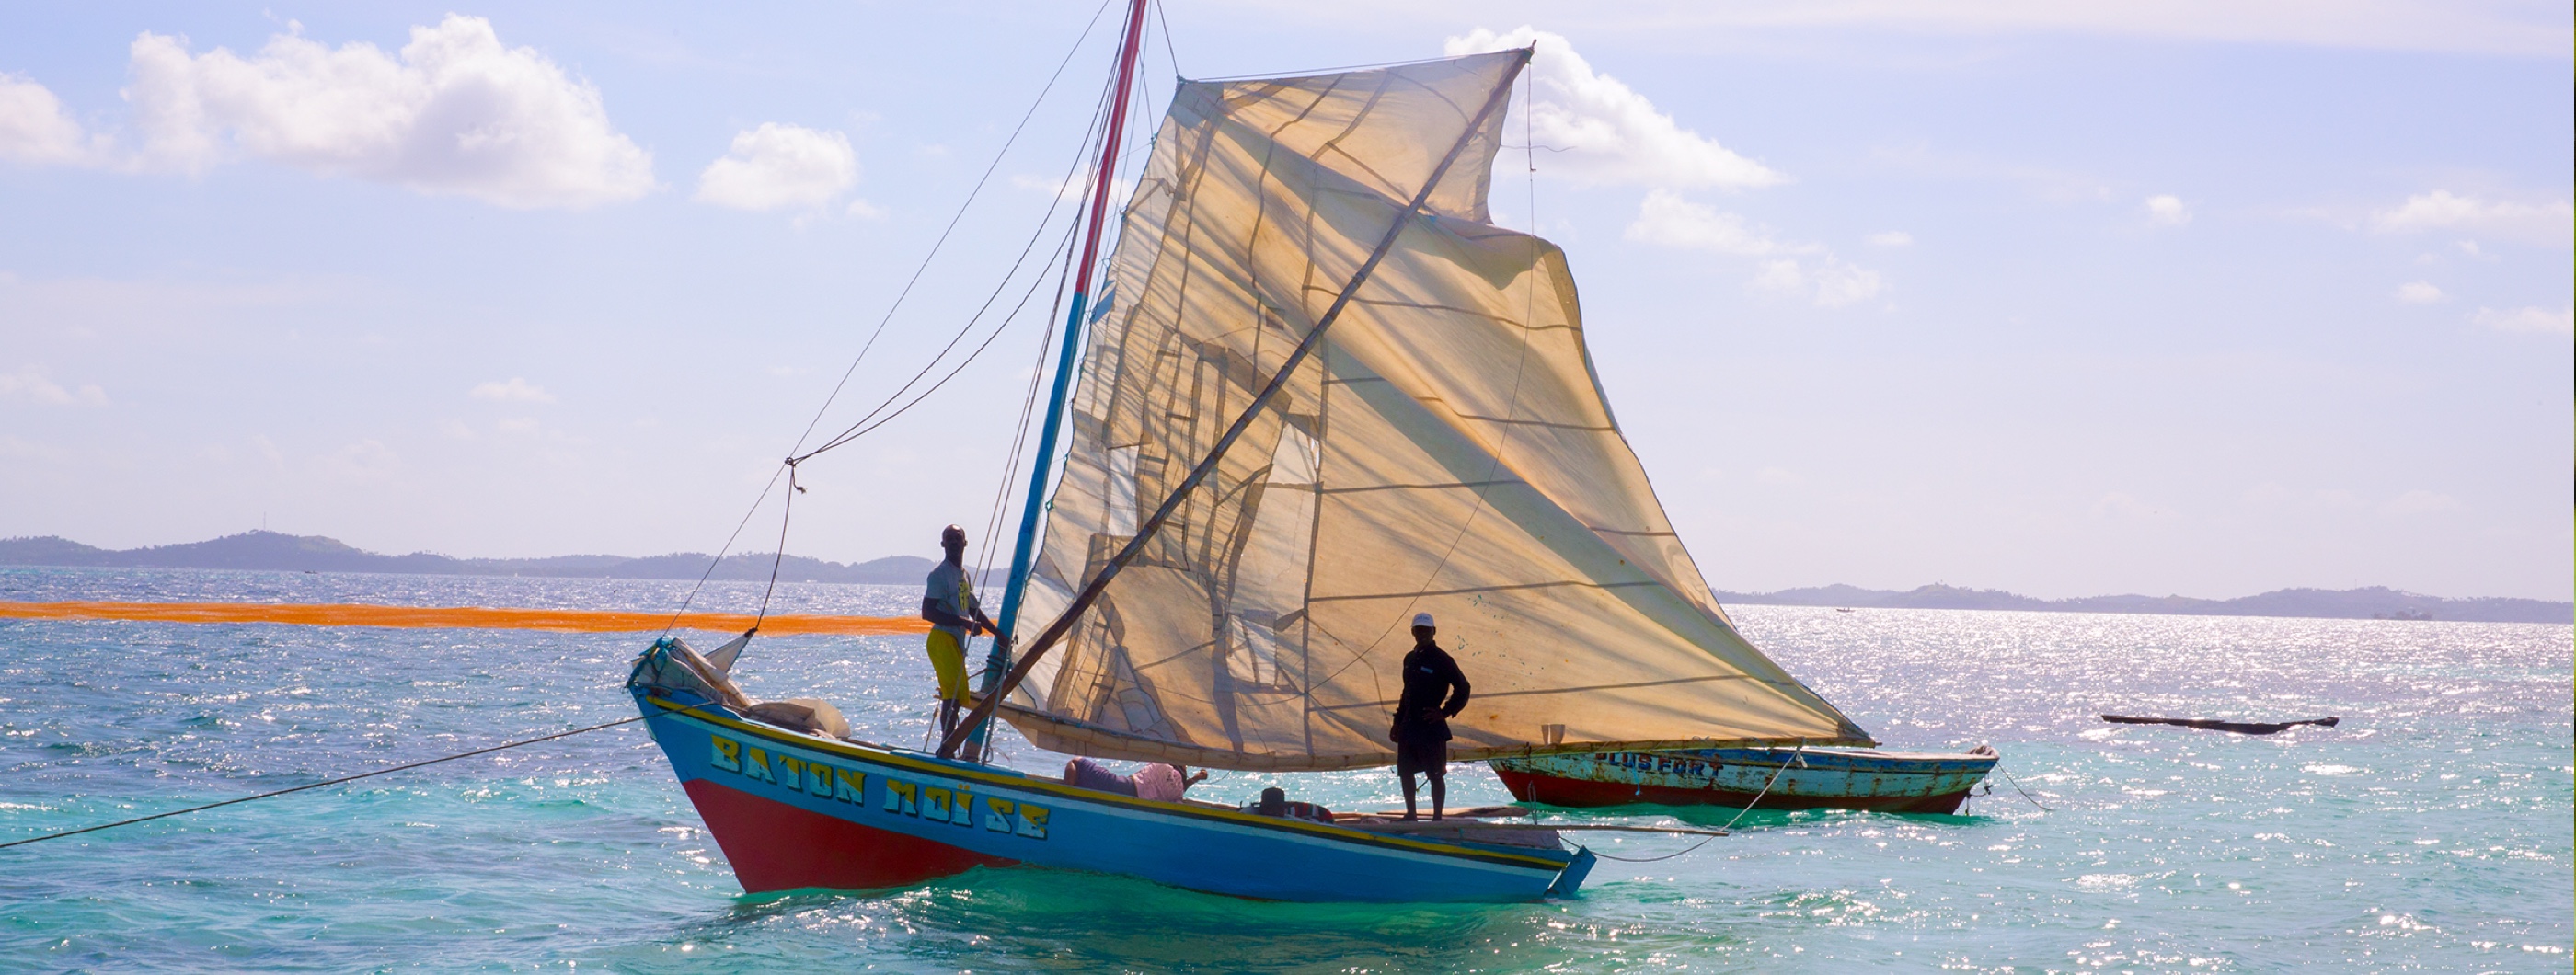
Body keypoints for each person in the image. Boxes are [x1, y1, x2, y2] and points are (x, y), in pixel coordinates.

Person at [919, 525, 1000, 737]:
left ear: (965, 543)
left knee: (959, 694)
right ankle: (946, 746)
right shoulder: (939, 575)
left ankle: (949, 745)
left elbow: (973, 609)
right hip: (941, 640)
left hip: (955, 641)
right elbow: (927, 612)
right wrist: (964, 623)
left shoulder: (963, 575)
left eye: (958, 538)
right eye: (949, 539)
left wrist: (998, 634)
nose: (954, 542)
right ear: (943, 544)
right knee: (952, 696)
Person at [1390, 611, 1471, 820]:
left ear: (1434, 632)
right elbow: (1405, 692)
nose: (1423, 634)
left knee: (1435, 774)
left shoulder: (1441, 658)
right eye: (1419, 630)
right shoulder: (1409, 659)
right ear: (1413, 632)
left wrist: (1445, 712)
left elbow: (1463, 687)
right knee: (1406, 772)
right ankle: (1411, 814)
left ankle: (1437, 817)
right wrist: (1397, 722)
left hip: (1430, 726)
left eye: (1427, 631)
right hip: (1409, 724)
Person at [1062, 757, 1206, 801]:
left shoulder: (1162, 765)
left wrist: (1195, 778)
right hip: (1132, 794)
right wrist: (1196, 778)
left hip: (1125, 787)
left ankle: (1065, 798)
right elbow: (1181, 788)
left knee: (1077, 762)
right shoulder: (1176, 793)